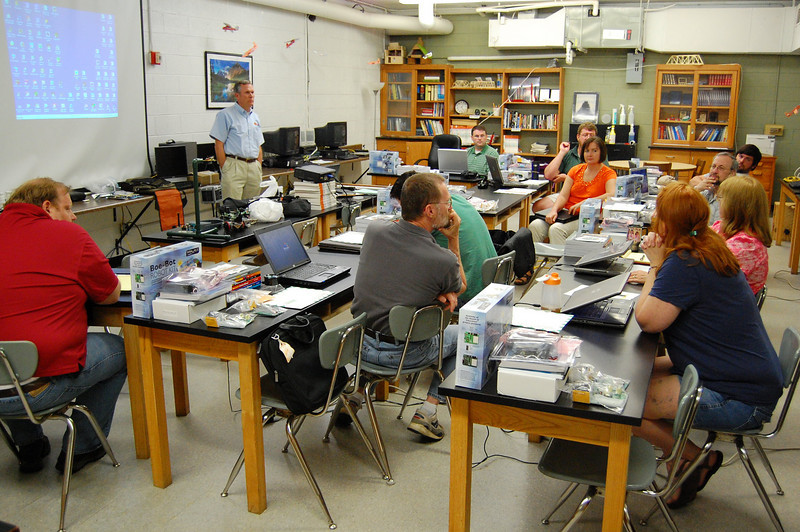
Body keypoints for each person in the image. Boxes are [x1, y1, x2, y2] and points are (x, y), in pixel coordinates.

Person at [634, 182, 782, 508]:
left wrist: (655, 265)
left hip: (739, 397)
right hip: (736, 374)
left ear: (667, 223)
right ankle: (682, 461)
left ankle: (692, 457)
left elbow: (648, 320)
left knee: (625, 403)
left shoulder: (684, 262)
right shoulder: (708, 244)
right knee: (631, 376)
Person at [0, 178, 127, 474]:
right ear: (47, 207)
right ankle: (84, 446)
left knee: (8, 354)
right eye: (68, 208)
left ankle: (29, 444)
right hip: (34, 390)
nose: (73, 217)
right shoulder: (69, 235)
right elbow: (110, 295)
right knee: (118, 350)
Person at [351, 173, 465, 441]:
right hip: (404, 355)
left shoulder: (374, 231)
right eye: (447, 203)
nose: (451, 209)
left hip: (357, 346)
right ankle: (428, 410)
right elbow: (461, 286)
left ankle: (355, 396)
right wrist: (453, 239)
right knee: (470, 336)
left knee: (381, 307)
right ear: (430, 210)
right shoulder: (443, 260)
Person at [390, 173, 495, 307]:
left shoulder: (435, 225)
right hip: (490, 279)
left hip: (471, 295)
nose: (451, 208)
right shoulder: (458, 200)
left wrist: (453, 238)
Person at [530, 136, 616, 244]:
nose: (590, 154)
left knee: (556, 229)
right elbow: (563, 196)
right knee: (535, 225)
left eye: (594, 151)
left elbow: (611, 194)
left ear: (601, 152)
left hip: (588, 217)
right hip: (568, 213)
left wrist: (587, 202)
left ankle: (560, 256)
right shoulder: (575, 170)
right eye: (587, 151)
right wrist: (553, 210)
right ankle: (536, 255)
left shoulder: (608, 173)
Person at [712, 176, 771, 294]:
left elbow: (713, 278)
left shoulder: (747, 246)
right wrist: (691, 232)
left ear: (735, 206)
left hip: (730, 301)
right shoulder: (725, 226)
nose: (718, 202)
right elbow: (702, 233)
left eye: (721, 198)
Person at [209, 81, 263, 200]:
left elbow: (258, 144)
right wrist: (225, 167)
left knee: (252, 207)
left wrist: (258, 165)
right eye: (247, 92)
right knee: (232, 207)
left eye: (252, 92)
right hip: (234, 167)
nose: (251, 95)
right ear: (237, 95)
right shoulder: (225, 115)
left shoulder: (255, 117)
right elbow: (219, 145)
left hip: (254, 167)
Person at [533, 122, 600, 212]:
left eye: (591, 135)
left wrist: (567, 179)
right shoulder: (570, 154)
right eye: (585, 135)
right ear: (578, 137)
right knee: (538, 206)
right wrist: (562, 152)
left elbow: (598, 182)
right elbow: (548, 175)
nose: (588, 138)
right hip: (566, 195)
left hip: (589, 196)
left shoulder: (599, 155)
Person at [688, 152, 737, 224]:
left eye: (721, 168)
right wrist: (697, 189)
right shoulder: (708, 190)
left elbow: (717, 229)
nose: (714, 171)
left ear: (732, 173)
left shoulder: (730, 199)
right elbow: (684, 210)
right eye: (713, 166)